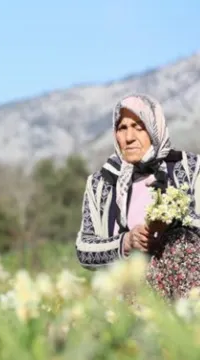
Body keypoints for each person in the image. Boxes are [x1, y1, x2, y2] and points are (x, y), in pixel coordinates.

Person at [75, 94, 200, 269]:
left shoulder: (190, 168)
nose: (129, 137)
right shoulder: (102, 182)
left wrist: (176, 219)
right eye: (122, 128)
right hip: (125, 288)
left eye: (138, 127)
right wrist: (126, 243)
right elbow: (83, 251)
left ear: (154, 129)